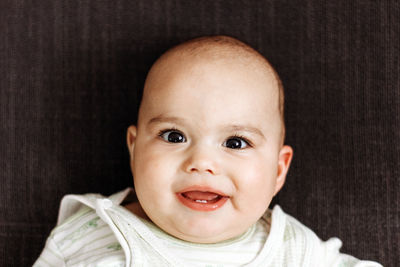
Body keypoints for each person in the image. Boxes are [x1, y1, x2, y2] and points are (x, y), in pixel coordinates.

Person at [33, 35, 382, 266]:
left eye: (235, 143)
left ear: (278, 170)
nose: (201, 162)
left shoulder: (295, 250)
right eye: (173, 136)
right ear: (134, 147)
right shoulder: (91, 233)